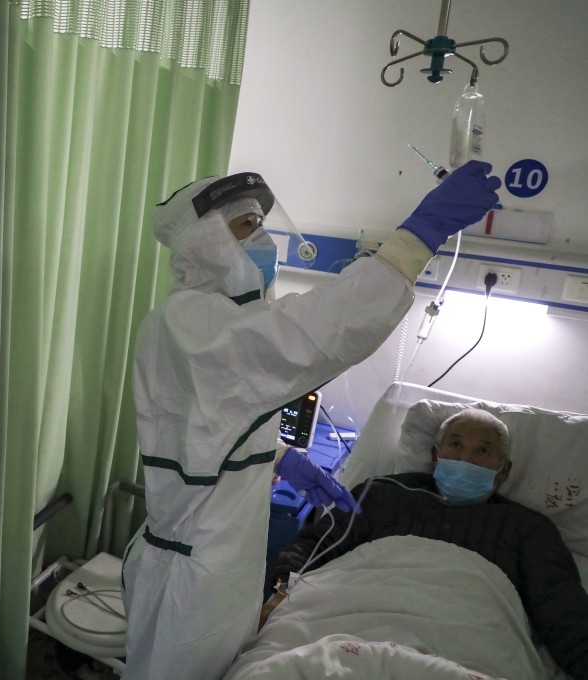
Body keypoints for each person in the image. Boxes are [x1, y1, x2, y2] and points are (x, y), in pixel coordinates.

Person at [121, 161, 502, 680]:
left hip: (215, 561)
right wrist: (416, 238)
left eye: (262, 224)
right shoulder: (189, 324)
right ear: (202, 242)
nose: (264, 239)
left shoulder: (214, 322)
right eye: (246, 226)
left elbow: (206, 426)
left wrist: (282, 459)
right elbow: (315, 331)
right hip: (192, 575)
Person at [269, 408, 588, 679]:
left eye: (483, 451)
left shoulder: (527, 528)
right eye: (456, 444)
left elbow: (563, 613)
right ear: (436, 456)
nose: (466, 458)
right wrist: (279, 592)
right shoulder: (382, 493)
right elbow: (313, 545)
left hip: (468, 636)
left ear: (503, 471)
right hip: (345, 616)